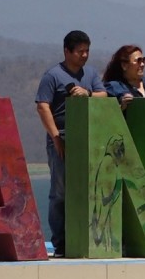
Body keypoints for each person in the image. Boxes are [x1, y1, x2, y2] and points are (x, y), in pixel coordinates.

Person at [35, 30, 107, 257]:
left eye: (87, 51)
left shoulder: (91, 74)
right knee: (61, 191)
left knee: (89, 189)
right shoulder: (53, 76)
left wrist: (87, 93)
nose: (84, 56)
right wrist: (56, 137)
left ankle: (86, 237)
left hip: (87, 135)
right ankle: (61, 243)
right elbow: (42, 106)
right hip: (63, 136)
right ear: (67, 51)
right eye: (80, 52)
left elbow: (103, 95)